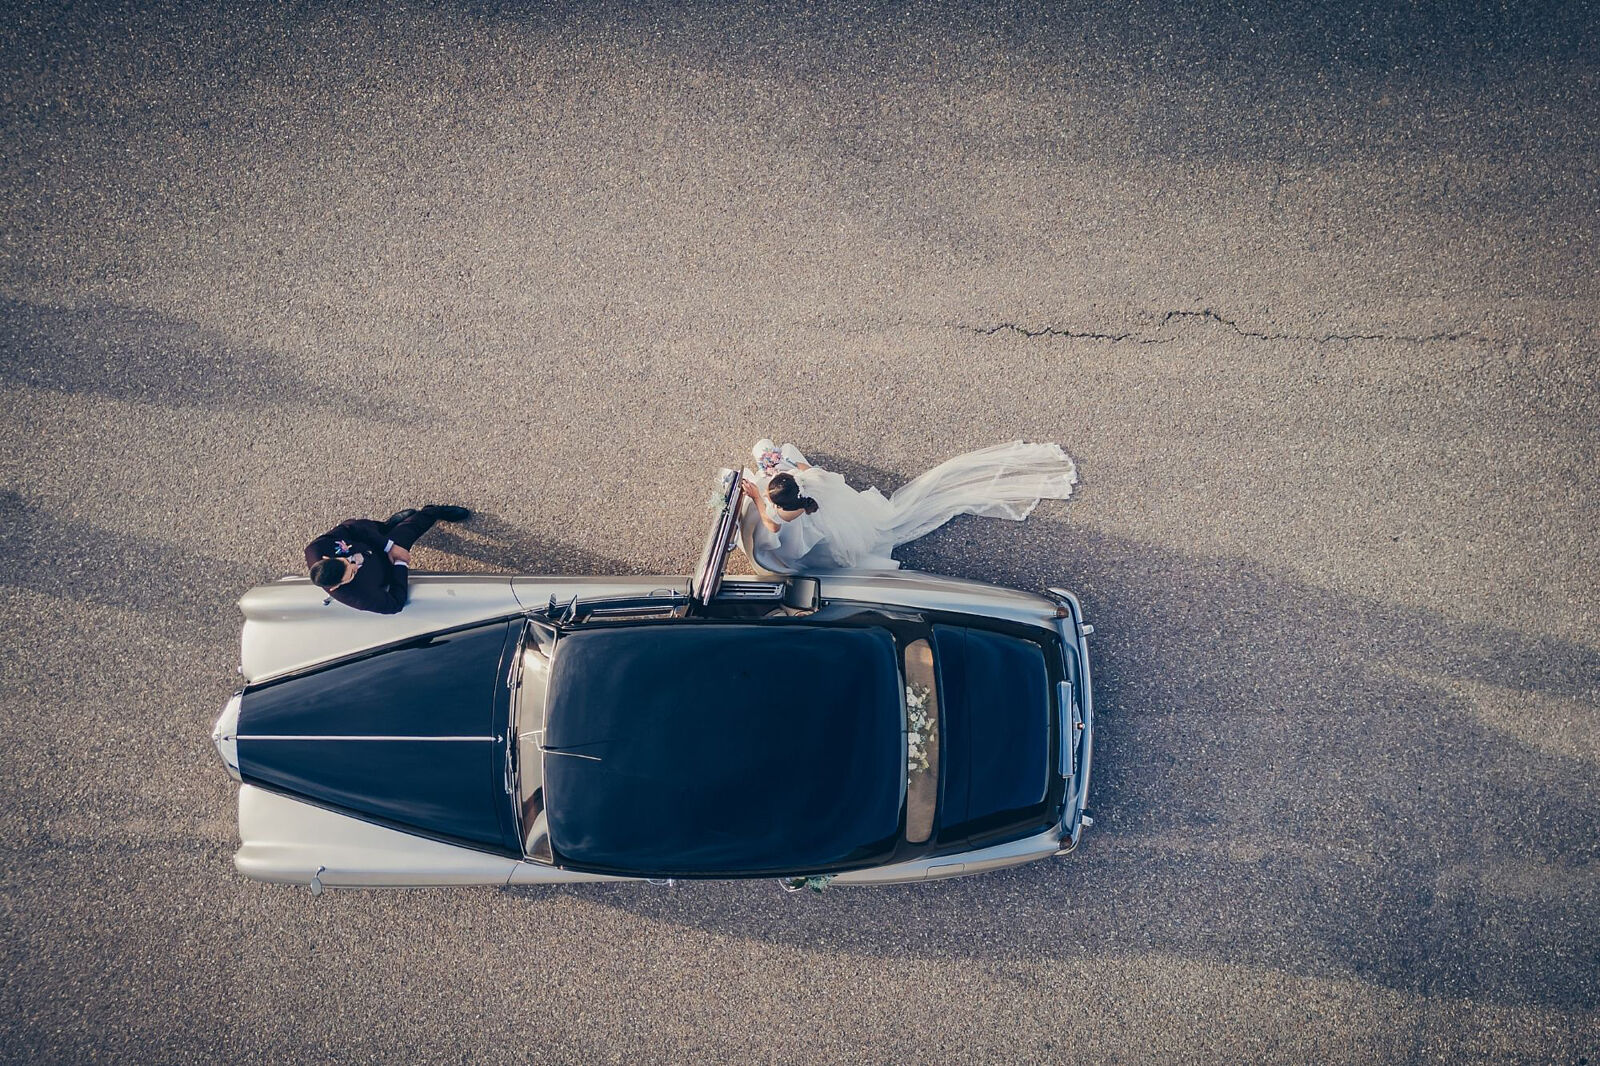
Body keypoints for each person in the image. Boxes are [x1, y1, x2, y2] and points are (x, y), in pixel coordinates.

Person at [740, 441, 1076, 572]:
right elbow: (809, 470)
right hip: (829, 517)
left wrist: (756, 497)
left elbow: (772, 526)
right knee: (785, 450)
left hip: (814, 535)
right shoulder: (808, 481)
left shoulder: (784, 514)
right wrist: (782, 466)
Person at [305, 505, 471, 614]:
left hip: (368, 539)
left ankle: (430, 512)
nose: (354, 565)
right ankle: (422, 516)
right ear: (335, 586)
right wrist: (400, 563)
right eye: (352, 573)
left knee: (386, 528)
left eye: (347, 562)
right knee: (408, 530)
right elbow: (394, 605)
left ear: (326, 558)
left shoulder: (316, 548)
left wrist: (389, 546)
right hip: (385, 565)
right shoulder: (357, 597)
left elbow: (351, 527)